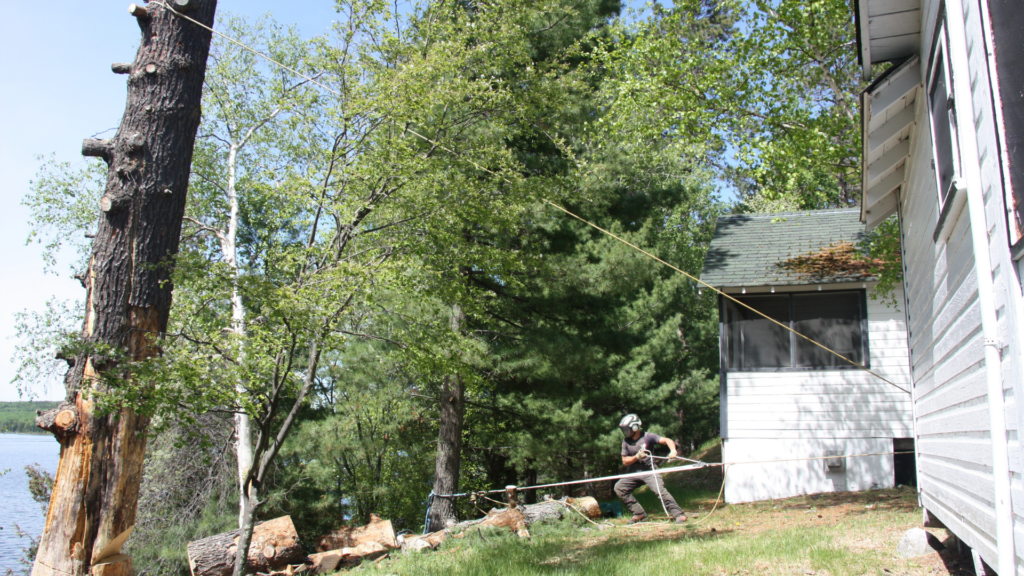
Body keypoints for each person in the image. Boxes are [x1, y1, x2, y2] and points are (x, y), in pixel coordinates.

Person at [614, 413, 688, 524]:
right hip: (633, 473)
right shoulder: (625, 442)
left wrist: (673, 450)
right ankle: (639, 514)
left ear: (635, 427)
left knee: (660, 491)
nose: (625, 432)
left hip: (650, 471)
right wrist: (636, 457)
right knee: (619, 488)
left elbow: (667, 440)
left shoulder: (648, 436)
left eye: (627, 429)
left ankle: (679, 514)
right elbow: (625, 461)